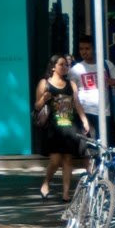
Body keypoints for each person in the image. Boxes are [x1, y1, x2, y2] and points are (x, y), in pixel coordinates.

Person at [35, 54, 90, 200]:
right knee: (55, 160)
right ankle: (46, 182)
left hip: (70, 126)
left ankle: (66, 193)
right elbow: (37, 106)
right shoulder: (44, 83)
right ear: (53, 67)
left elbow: (76, 103)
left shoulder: (71, 84)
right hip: (53, 127)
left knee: (67, 159)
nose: (65, 67)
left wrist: (84, 120)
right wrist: (43, 99)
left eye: (66, 65)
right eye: (61, 64)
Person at [70, 35, 115, 144]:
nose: (84, 52)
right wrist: (83, 119)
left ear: (95, 48)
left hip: (105, 113)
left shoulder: (106, 64)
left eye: (87, 48)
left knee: (108, 146)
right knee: (89, 150)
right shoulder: (75, 70)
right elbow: (74, 96)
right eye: (81, 49)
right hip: (86, 113)